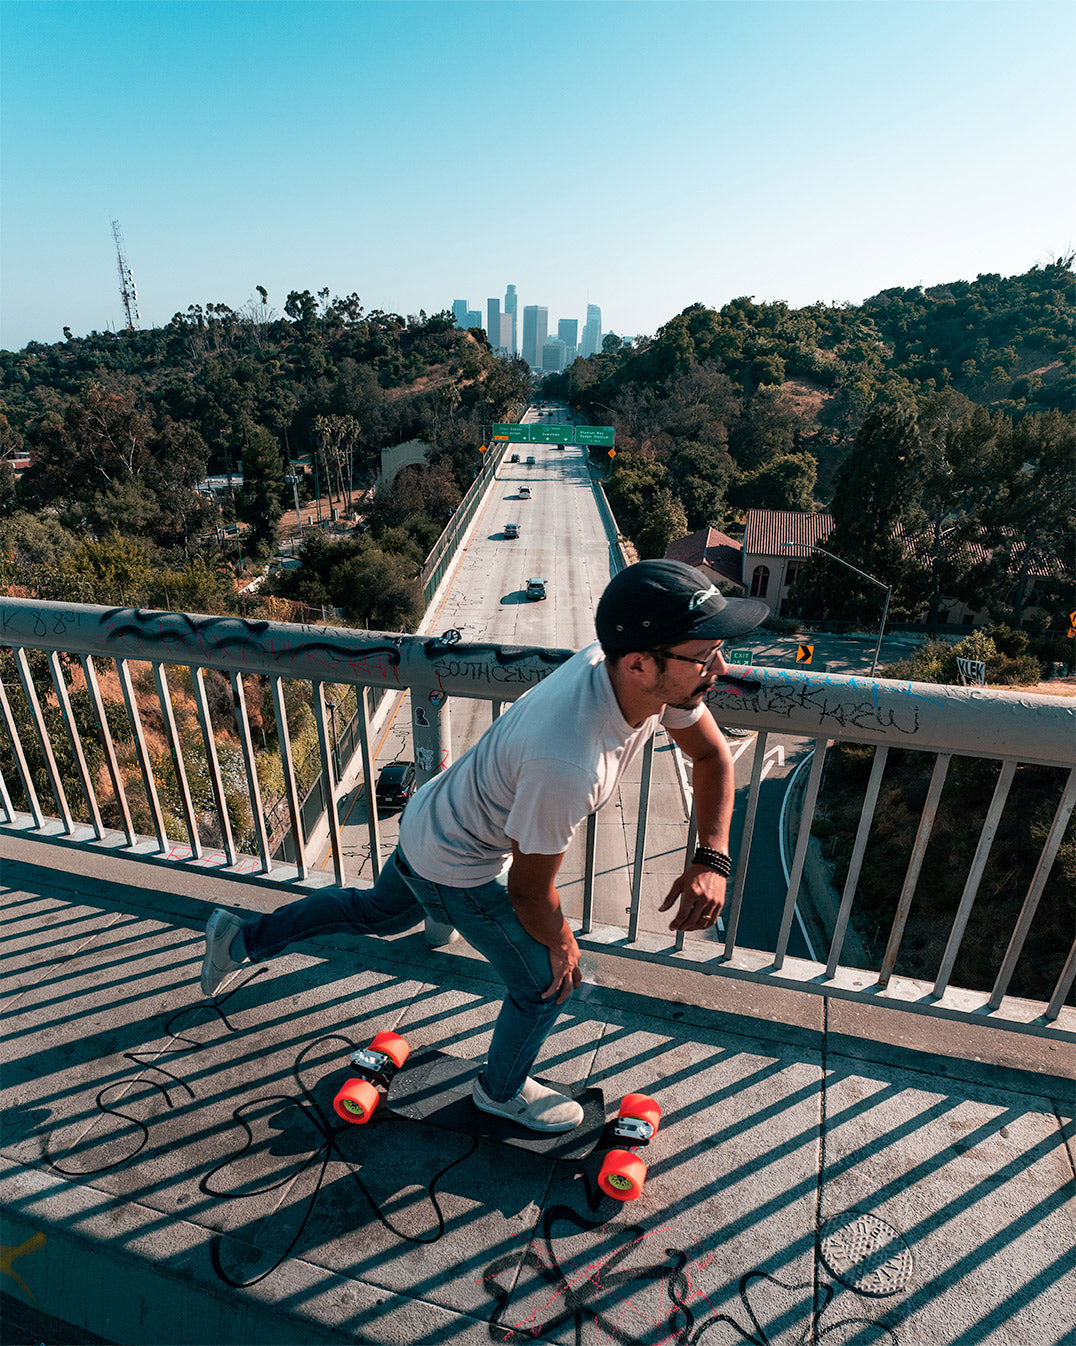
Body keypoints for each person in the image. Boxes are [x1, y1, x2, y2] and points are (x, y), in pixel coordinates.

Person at [201, 560, 768, 1133]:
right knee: (546, 982)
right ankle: (500, 1093)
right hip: (457, 867)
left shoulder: (633, 670)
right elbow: (529, 893)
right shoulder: (568, 761)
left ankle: (238, 939)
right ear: (641, 664)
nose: (719, 668)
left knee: (373, 913)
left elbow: (711, 756)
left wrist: (711, 857)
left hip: (429, 817)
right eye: (706, 656)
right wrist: (565, 945)